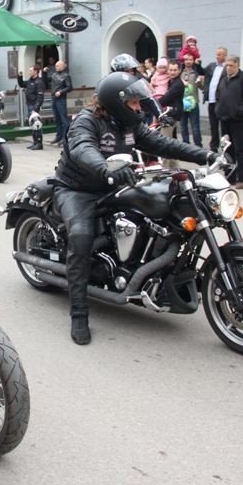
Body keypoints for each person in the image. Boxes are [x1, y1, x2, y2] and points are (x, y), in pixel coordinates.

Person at [53, 72, 218, 345]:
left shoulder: (129, 125)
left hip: (114, 182)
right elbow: (83, 149)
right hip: (77, 190)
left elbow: (164, 143)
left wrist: (207, 155)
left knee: (159, 213)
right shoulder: (86, 122)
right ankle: (79, 312)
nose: (139, 107)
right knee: (81, 237)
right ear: (116, 103)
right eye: (133, 103)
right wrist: (105, 167)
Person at [215, 55, 243, 189]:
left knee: (239, 150)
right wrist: (218, 109)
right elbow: (218, 95)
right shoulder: (224, 79)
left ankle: (241, 178)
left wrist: (239, 112)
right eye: (227, 65)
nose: (228, 68)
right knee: (227, 150)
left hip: (238, 120)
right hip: (225, 119)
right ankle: (229, 177)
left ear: (237, 65)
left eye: (231, 65)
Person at [203, 46, 228, 152]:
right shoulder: (212, 66)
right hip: (212, 100)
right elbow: (202, 72)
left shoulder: (227, 68)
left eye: (219, 54)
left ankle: (225, 146)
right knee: (213, 125)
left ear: (225, 56)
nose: (217, 56)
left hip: (221, 102)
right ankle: (214, 146)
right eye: (216, 54)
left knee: (223, 126)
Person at [17, 65, 46, 150]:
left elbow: (40, 97)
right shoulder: (30, 81)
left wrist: (35, 109)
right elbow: (22, 84)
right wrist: (19, 77)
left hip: (34, 106)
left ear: (36, 71)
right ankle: (35, 142)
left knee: (37, 124)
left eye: (30, 70)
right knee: (32, 124)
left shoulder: (39, 82)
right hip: (29, 104)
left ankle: (39, 143)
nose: (29, 72)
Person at [180, 53, 204, 146]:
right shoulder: (180, 72)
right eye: (186, 59)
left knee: (195, 125)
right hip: (182, 102)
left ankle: (198, 145)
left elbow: (202, 88)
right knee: (183, 125)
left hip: (193, 102)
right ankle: (186, 144)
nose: (188, 61)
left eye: (190, 59)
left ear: (193, 60)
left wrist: (200, 81)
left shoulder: (197, 72)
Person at [157, 60, 185, 139]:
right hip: (170, 113)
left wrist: (154, 104)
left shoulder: (177, 84)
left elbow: (166, 99)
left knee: (165, 140)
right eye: (171, 70)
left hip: (171, 114)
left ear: (179, 71)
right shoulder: (171, 81)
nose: (173, 72)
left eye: (175, 70)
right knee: (172, 139)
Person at [48, 60, 72, 146]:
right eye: (55, 66)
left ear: (62, 66)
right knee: (57, 119)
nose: (56, 67)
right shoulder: (54, 75)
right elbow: (46, 80)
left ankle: (65, 137)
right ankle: (58, 136)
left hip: (61, 99)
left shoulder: (66, 76)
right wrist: (44, 72)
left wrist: (61, 92)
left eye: (58, 66)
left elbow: (69, 87)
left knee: (63, 119)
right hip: (54, 98)